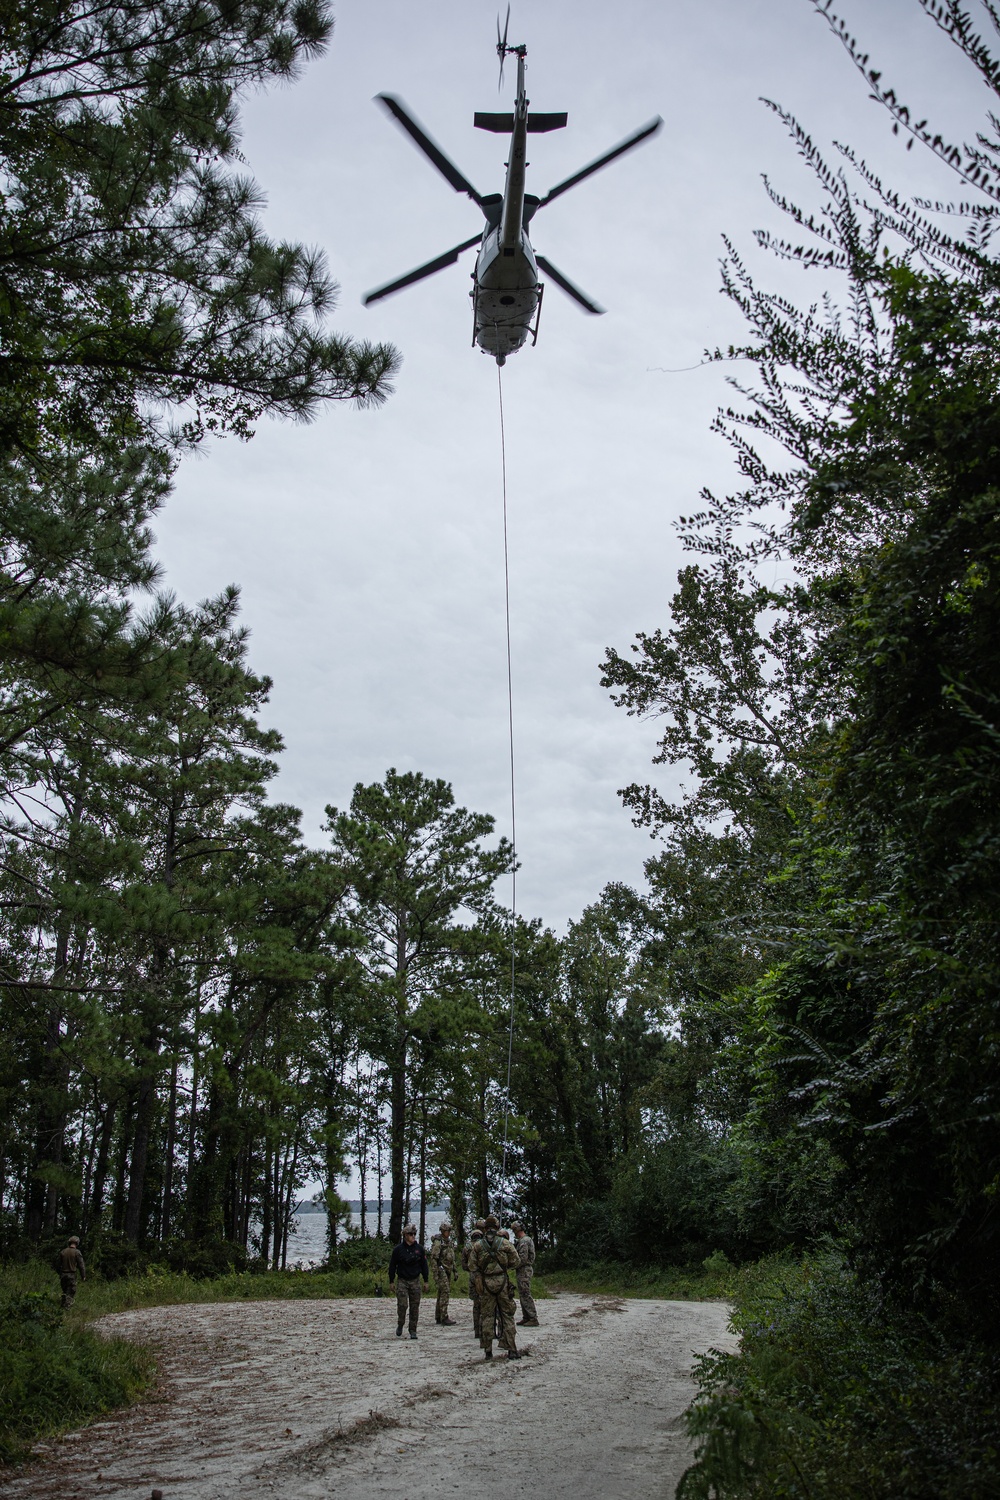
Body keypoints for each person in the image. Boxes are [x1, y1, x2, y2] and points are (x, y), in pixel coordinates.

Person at [466, 1214, 520, 1360]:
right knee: (507, 1315)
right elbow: (516, 1261)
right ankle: (512, 1349)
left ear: (484, 1229)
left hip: (486, 1283)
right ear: (497, 1228)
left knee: (487, 1316)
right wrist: (504, 1267)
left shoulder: (477, 1246)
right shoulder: (505, 1244)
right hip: (502, 1282)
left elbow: (472, 1266)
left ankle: (488, 1350)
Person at [388, 1224, 428, 1339]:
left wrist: (426, 1280)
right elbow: (392, 1266)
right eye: (410, 1234)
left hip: (415, 1280)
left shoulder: (419, 1249)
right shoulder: (398, 1250)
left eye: (414, 1234)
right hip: (402, 1281)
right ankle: (400, 1323)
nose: (413, 1236)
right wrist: (391, 1281)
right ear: (405, 1235)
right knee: (402, 1305)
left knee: (415, 1307)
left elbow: (424, 1266)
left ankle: (413, 1330)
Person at [429, 1220, 457, 1325]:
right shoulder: (438, 1242)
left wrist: (455, 1270)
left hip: (448, 1268)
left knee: (442, 1292)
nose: (448, 1232)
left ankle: (438, 1315)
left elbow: (451, 1257)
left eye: (449, 1231)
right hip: (441, 1269)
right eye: (447, 1230)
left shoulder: (448, 1242)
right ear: (442, 1231)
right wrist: (435, 1273)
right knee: (444, 1292)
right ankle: (443, 1316)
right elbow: (434, 1258)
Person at [511, 1221, 539, 1326]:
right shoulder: (525, 1240)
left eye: (514, 1230)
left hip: (524, 1270)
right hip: (523, 1269)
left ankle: (532, 1317)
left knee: (525, 1293)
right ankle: (526, 1317)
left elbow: (522, 1258)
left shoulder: (524, 1241)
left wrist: (512, 1265)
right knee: (522, 1294)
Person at [462, 1222, 485, 1340]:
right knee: (485, 1304)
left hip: (472, 1276)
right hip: (482, 1276)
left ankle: (477, 1331)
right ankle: (484, 1330)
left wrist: (471, 1269)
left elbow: (463, 1264)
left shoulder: (467, 1247)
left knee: (476, 1305)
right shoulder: (484, 1246)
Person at [56, 1235, 86, 1311]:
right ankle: (67, 1308)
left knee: (64, 1291)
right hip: (71, 1275)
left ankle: (62, 1307)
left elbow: (57, 1264)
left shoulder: (63, 1251)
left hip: (63, 1275)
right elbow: (81, 1265)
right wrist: (83, 1276)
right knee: (71, 1292)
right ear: (77, 1243)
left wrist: (59, 1273)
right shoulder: (77, 1252)